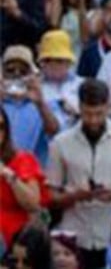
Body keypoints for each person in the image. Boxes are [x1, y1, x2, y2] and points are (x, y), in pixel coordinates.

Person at [47, 79, 111, 269]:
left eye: (98, 114)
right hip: (73, 237)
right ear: (80, 107)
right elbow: (51, 195)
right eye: (87, 114)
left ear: (108, 106)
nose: (93, 120)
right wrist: (76, 196)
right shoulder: (60, 143)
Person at [0, 106, 44, 251]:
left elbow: (33, 204)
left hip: (14, 243)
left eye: (1, 127)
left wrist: (10, 176)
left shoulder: (22, 159)